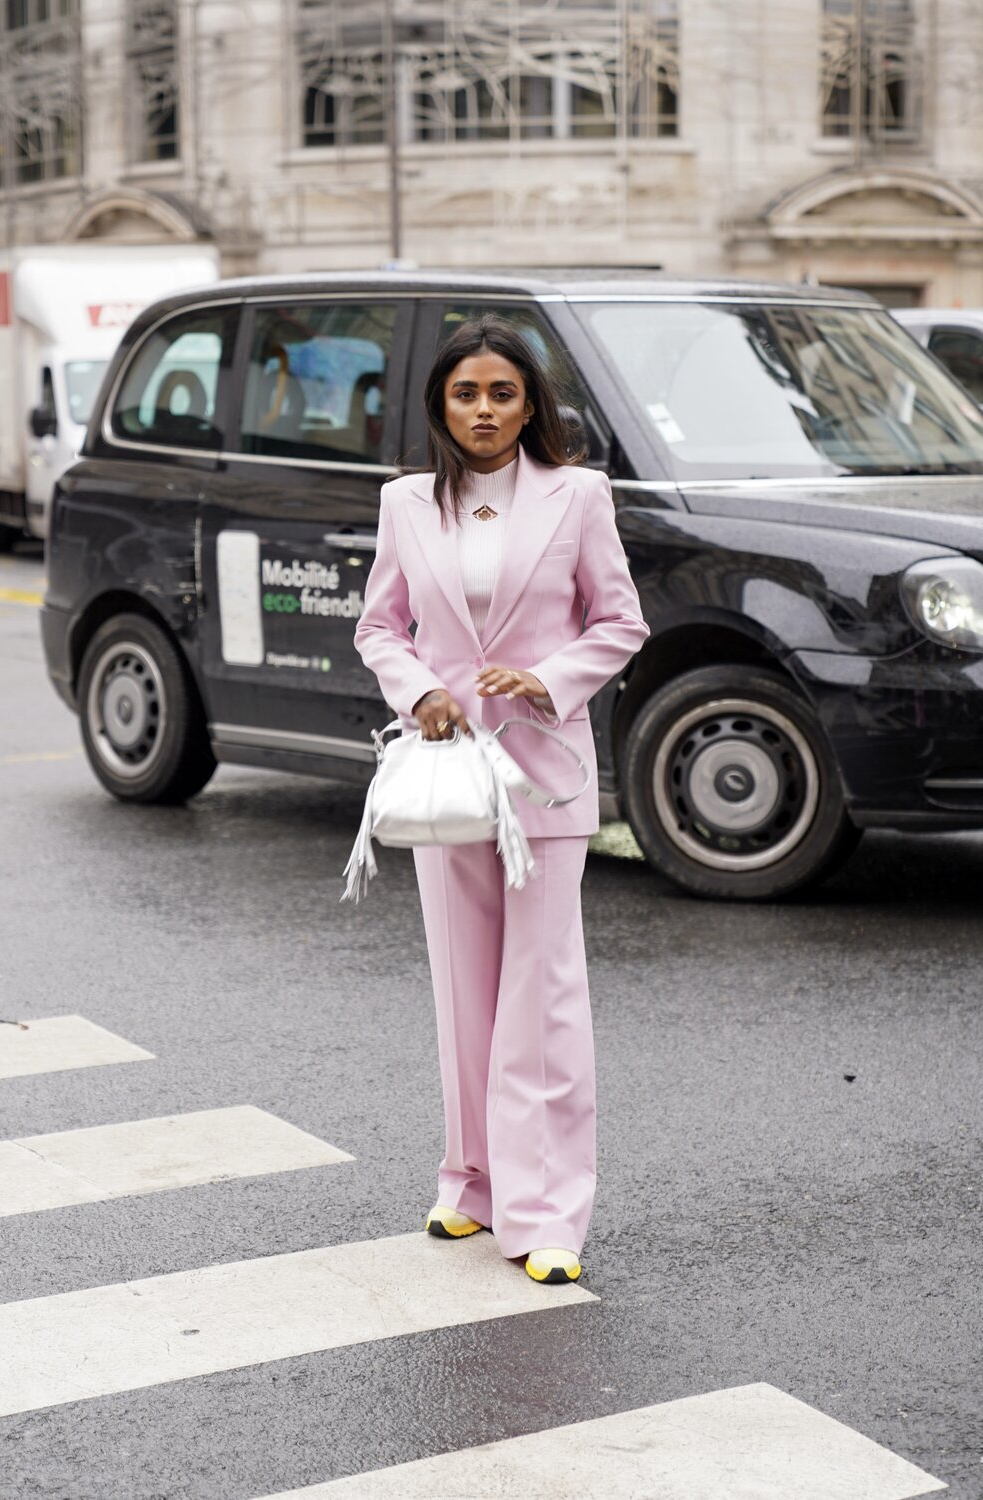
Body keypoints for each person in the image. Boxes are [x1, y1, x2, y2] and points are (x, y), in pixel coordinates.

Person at [354, 315, 649, 1284]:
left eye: (503, 394)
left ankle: (549, 1212)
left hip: (544, 776)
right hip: (446, 780)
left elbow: (619, 621)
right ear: (441, 405)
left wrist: (552, 678)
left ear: (531, 404)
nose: (484, 411)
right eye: (465, 395)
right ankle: (470, 1183)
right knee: (461, 991)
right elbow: (379, 629)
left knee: (543, 993)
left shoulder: (578, 497)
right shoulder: (405, 504)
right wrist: (420, 691)